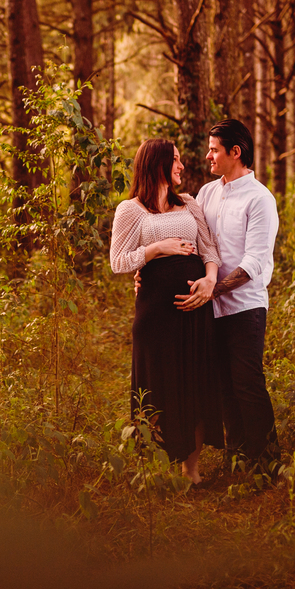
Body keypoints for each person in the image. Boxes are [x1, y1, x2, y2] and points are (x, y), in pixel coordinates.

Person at [109, 139, 224, 484]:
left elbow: (210, 250)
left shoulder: (189, 204)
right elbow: (118, 261)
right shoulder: (130, 210)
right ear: (157, 163)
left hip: (193, 310)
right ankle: (157, 468)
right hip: (155, 316)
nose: (181, 166)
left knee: (195, 385)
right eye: (174, 159)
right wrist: (158, 247)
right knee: (159, 387)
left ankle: (192, 472)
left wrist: (209, 280)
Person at [176, 119, 280, 470]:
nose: (208, 156)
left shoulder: (260, 199)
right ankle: (238, 462)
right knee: (224, 389)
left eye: (214, 150)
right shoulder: (206, 193)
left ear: (235, 152)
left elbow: (253, 263)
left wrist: (212, 290)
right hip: (211, 311)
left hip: (245, 308)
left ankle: (267, 465)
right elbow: (195, 245)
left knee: (247, 384)